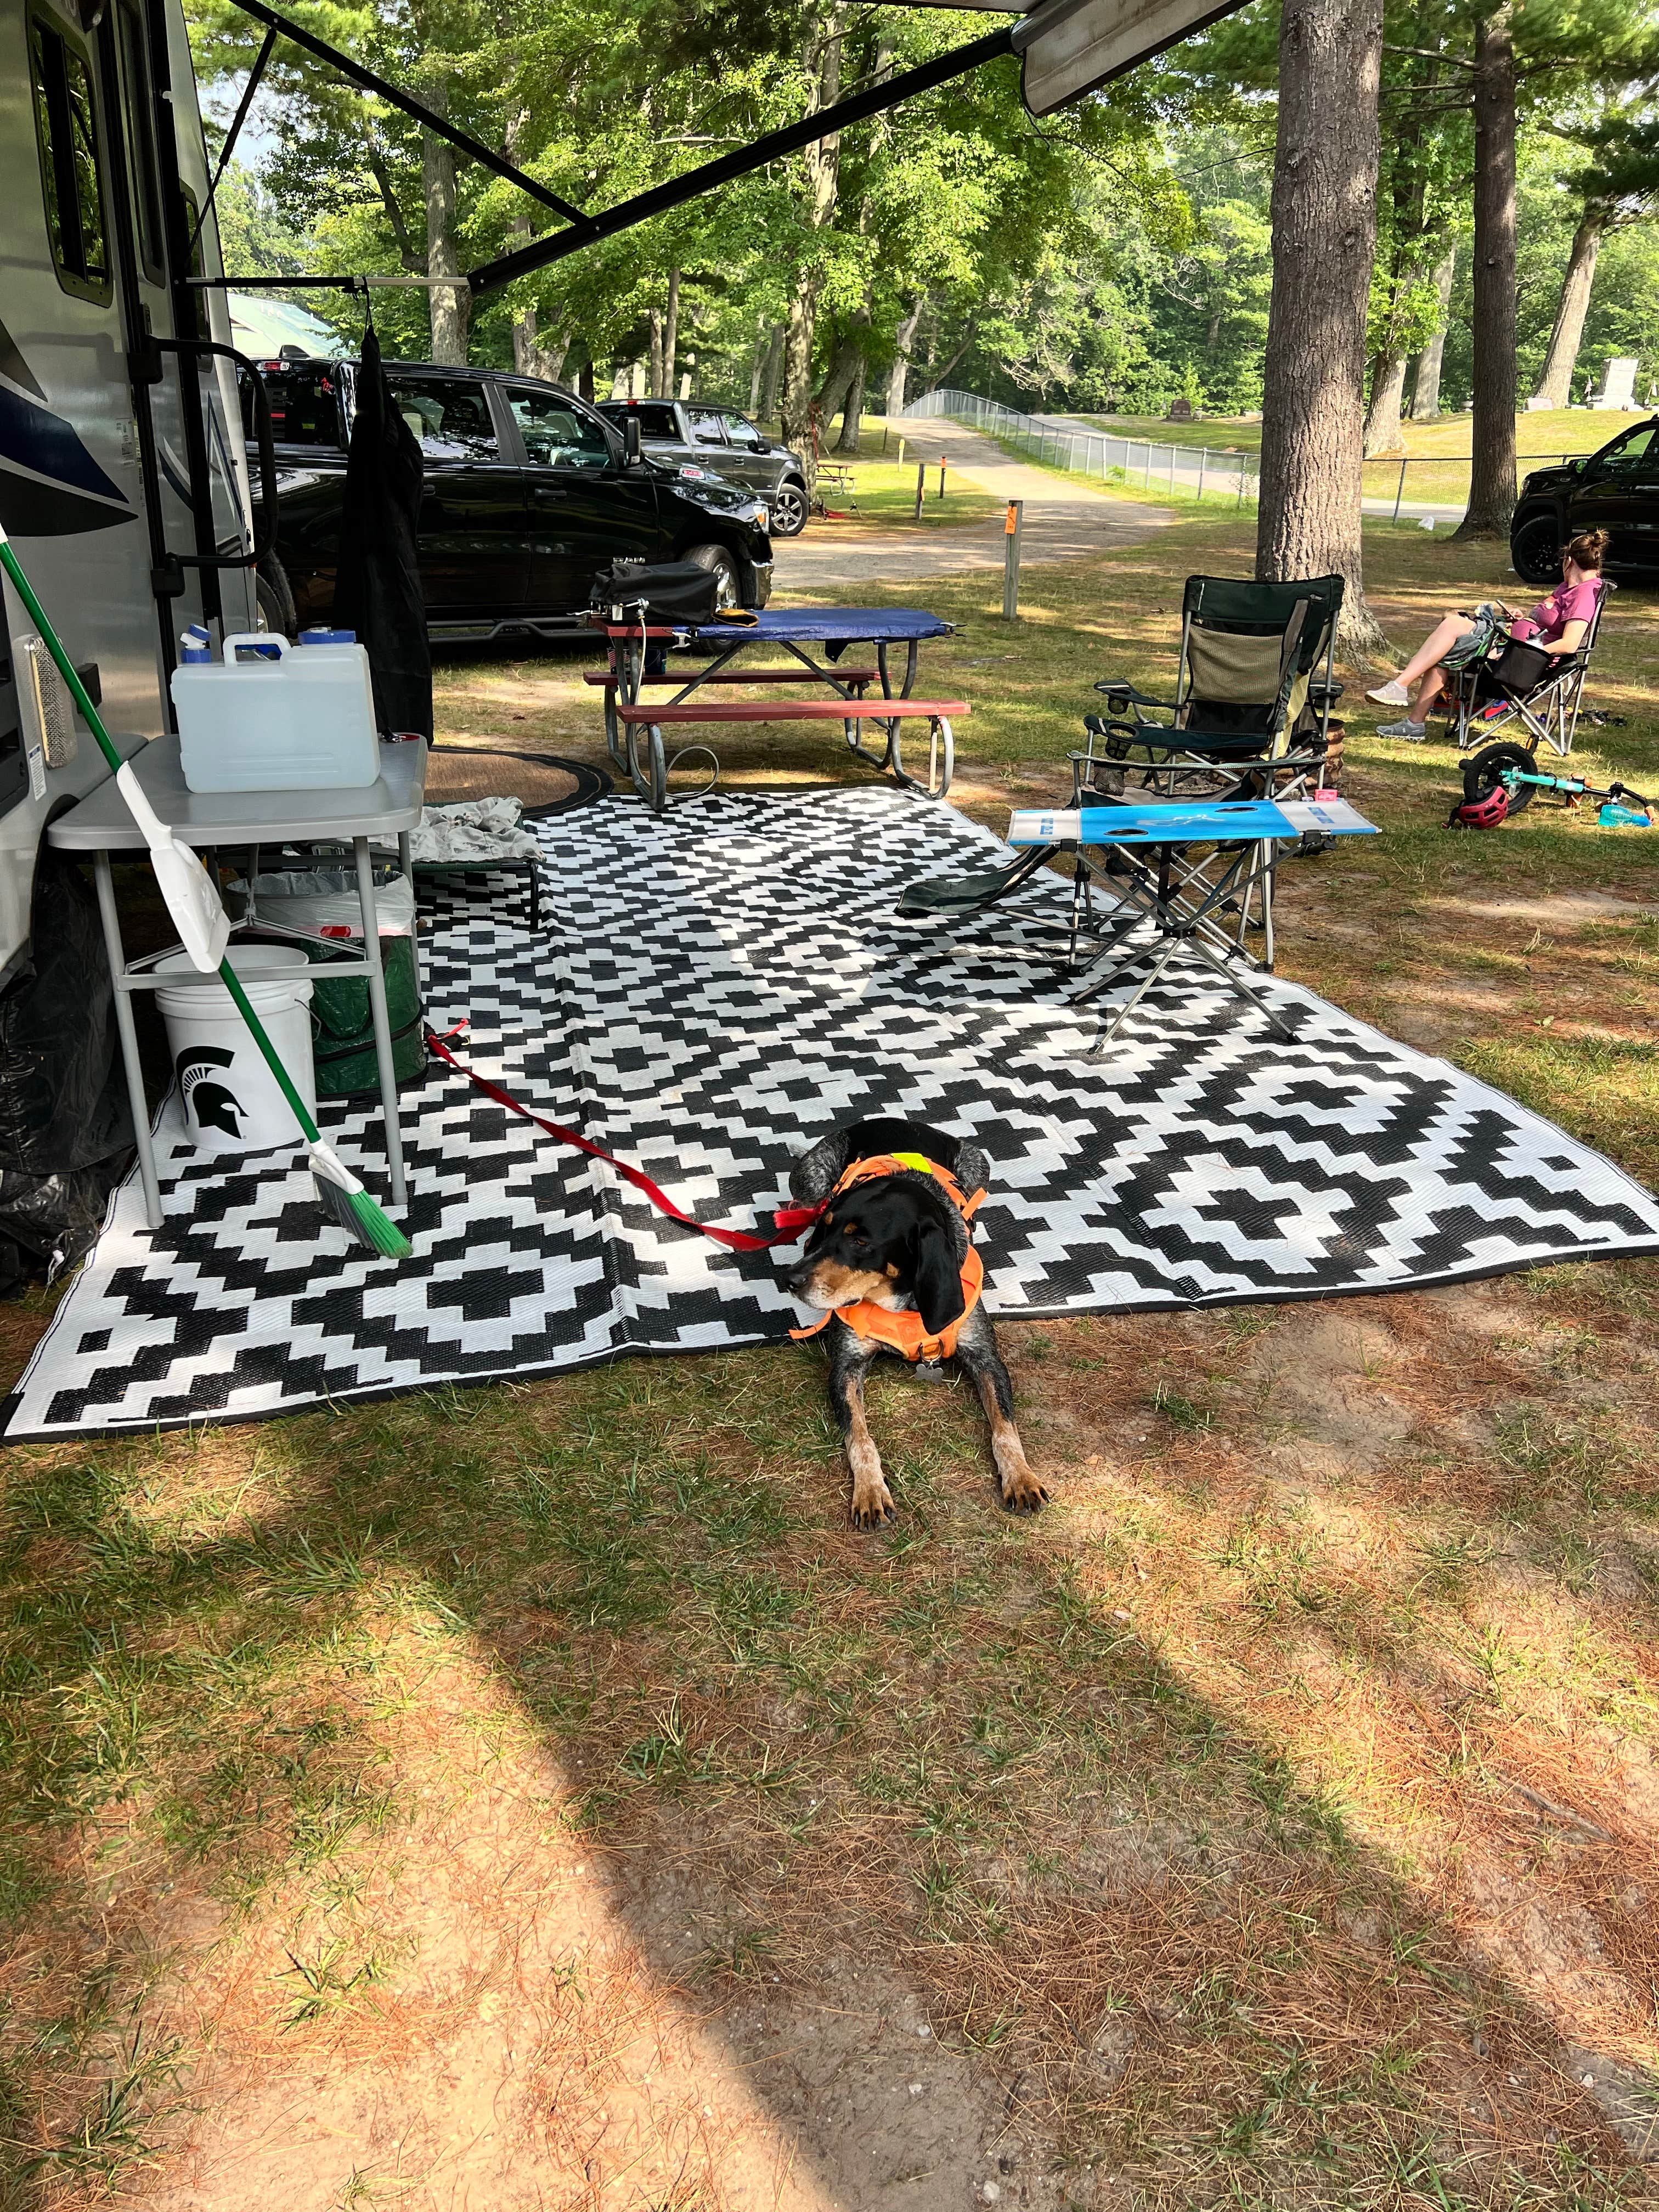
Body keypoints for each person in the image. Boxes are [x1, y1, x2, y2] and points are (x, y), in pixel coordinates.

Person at [1365, 528, 1608, 740]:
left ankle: (1400, 689)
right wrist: (1523, 619)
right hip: (1514, 646)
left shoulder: (1584, 594)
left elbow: (1570, 643)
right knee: (1446, 641)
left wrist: (1527, 649)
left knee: (1452, 626)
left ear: (1568, 561)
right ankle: (1413, 721)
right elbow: (1549, 624)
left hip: (1523, 662)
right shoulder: (1570, 588)